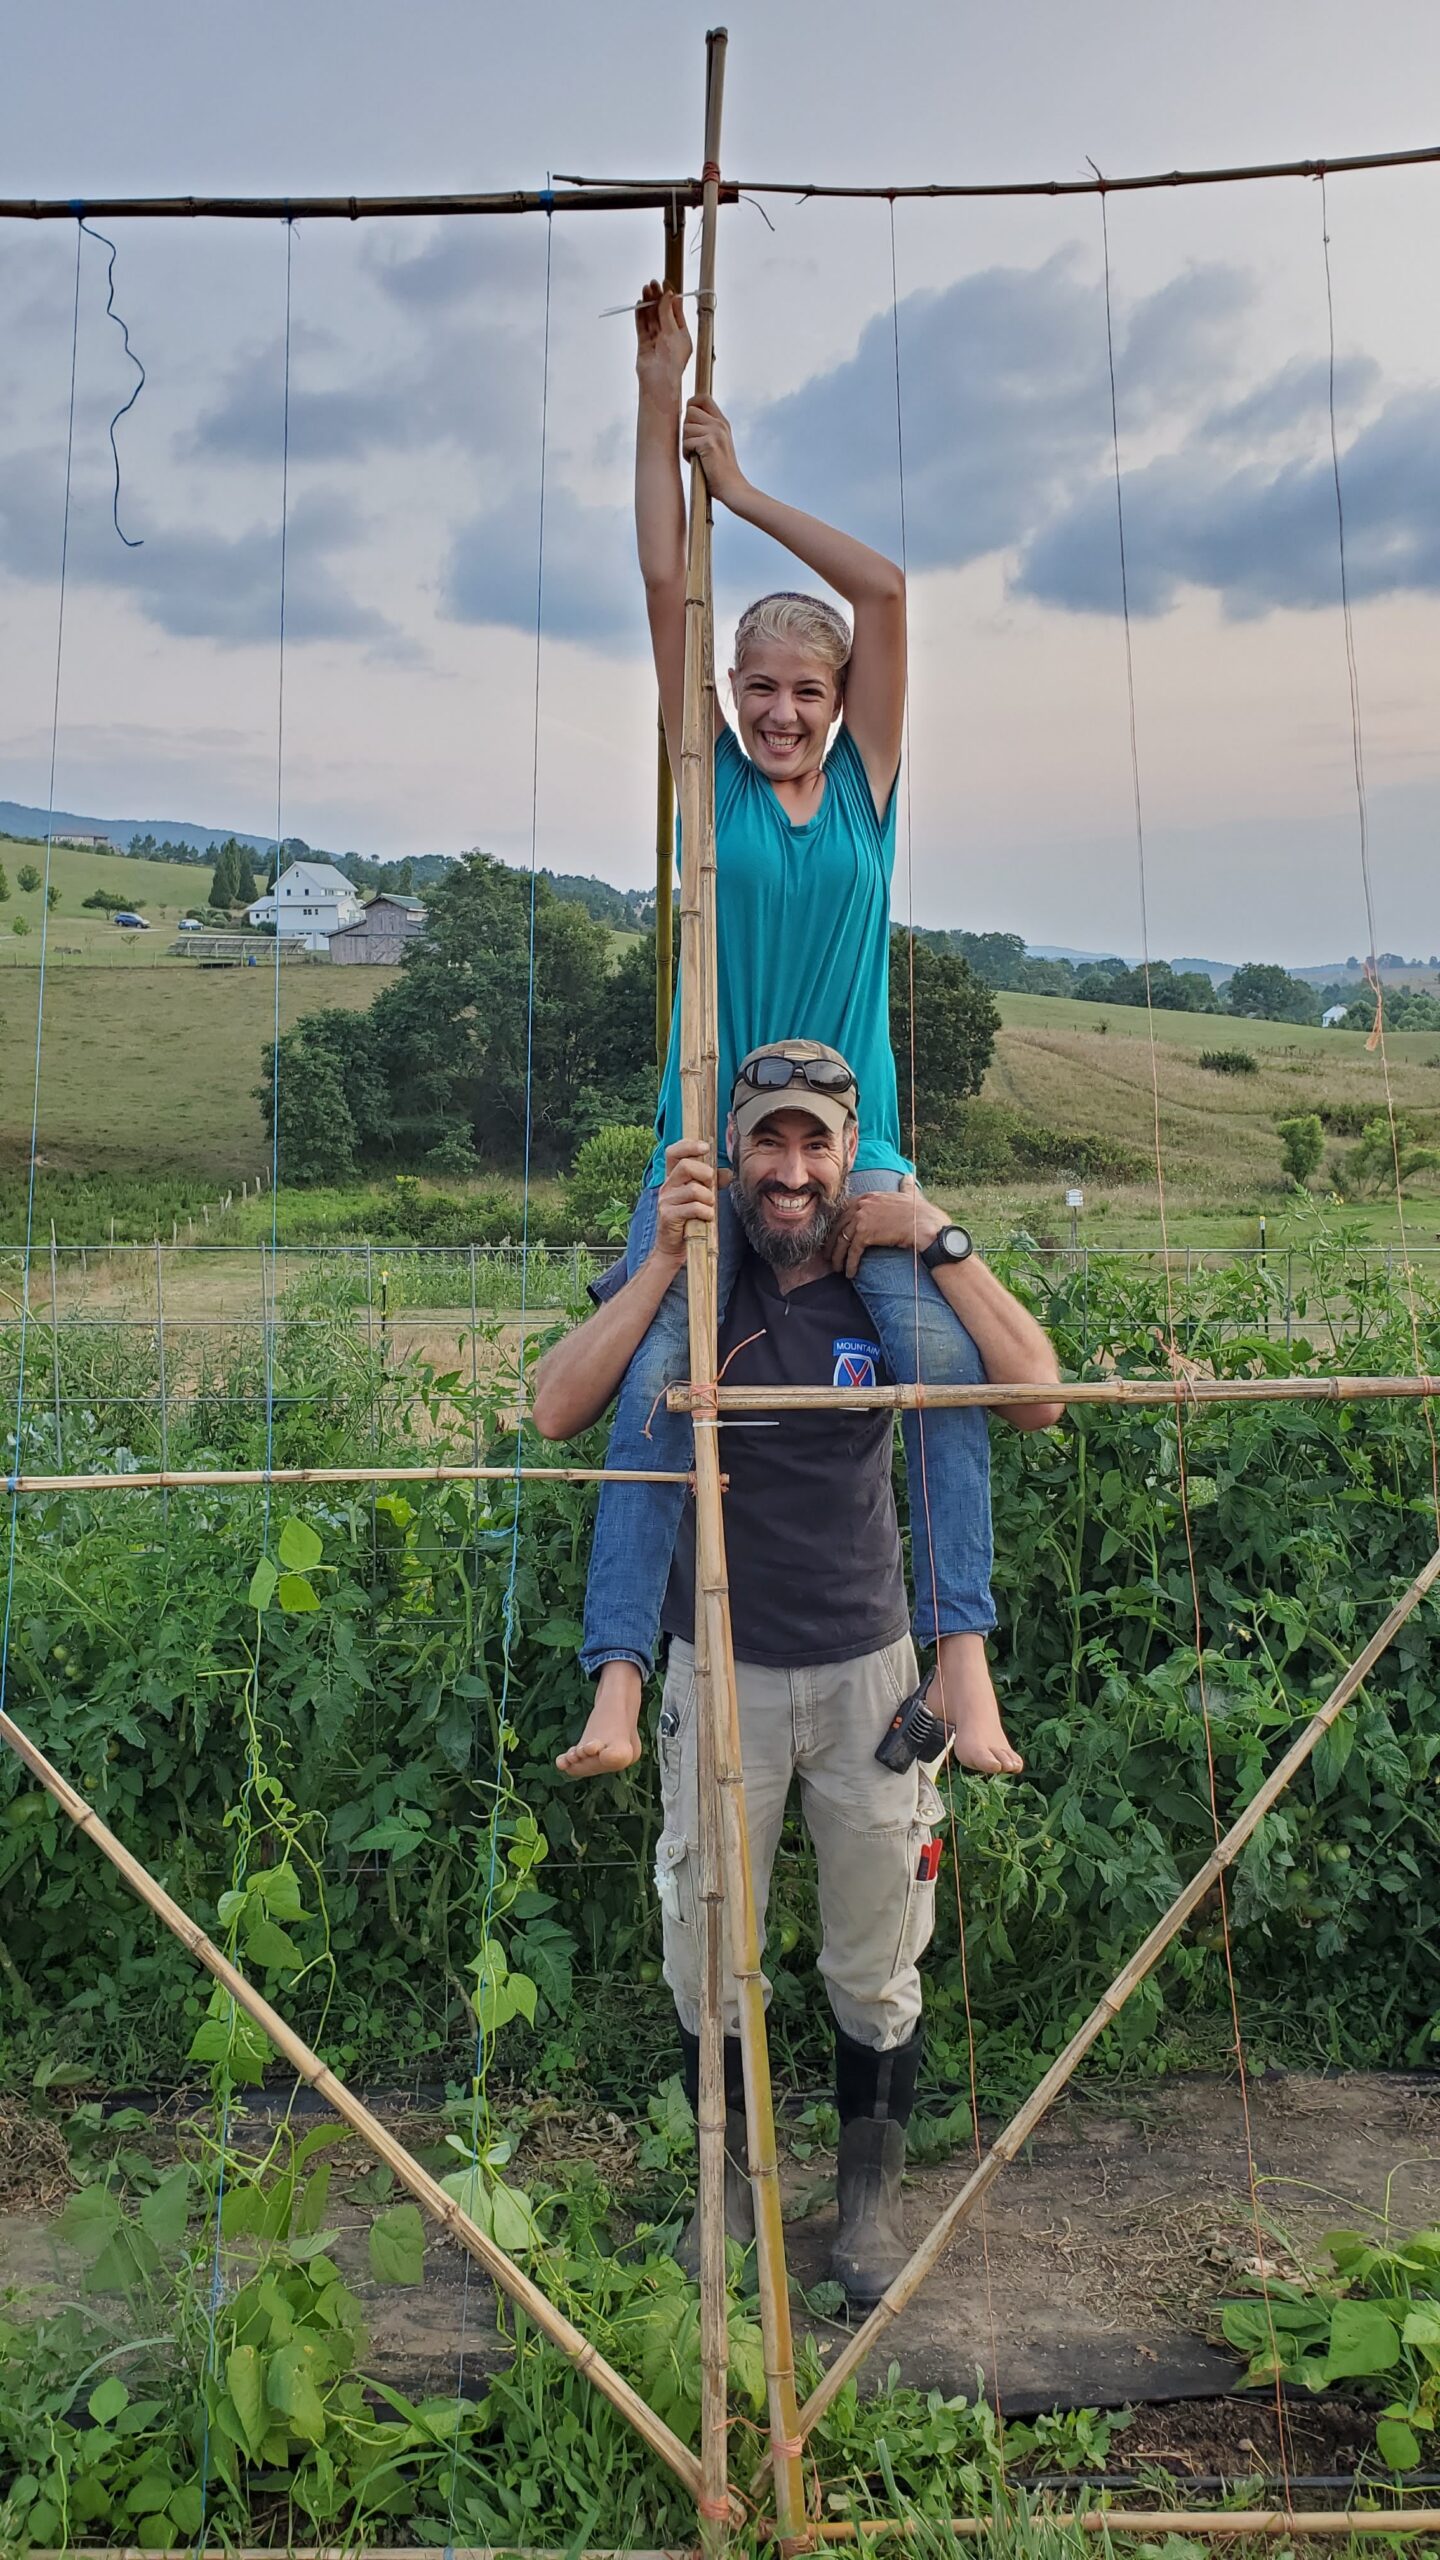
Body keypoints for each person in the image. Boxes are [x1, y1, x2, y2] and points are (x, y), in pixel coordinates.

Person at [560, 279, 1018, 1786]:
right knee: (644, 1391)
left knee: (934, 1361)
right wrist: (658, 396)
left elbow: (887, 594)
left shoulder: (873, 793)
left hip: (858, 1141)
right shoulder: (717, 795)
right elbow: (656, 581)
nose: (775, 709)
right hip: (709, 1141)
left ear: (836, 704)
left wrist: (743, 484)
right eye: (755, 685)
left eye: (800, 691)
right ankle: (620, 1686)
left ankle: (961, 1668)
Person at [532, 1046, 1063, 2301]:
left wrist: (939, 1233)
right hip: (719, 1670)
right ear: (735, 1154)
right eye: (768, 1144)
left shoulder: (882, 1291)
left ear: (847, 1160)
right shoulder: (697, 1288)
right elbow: (556, 1405)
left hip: (873, 1676)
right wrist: (662, 1254)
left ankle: (865, 2207)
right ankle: (722, 2197)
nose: (790, 1172)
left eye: (814, 1147)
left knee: (877, 1956)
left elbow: (1037, 1398)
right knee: (707, 1948)